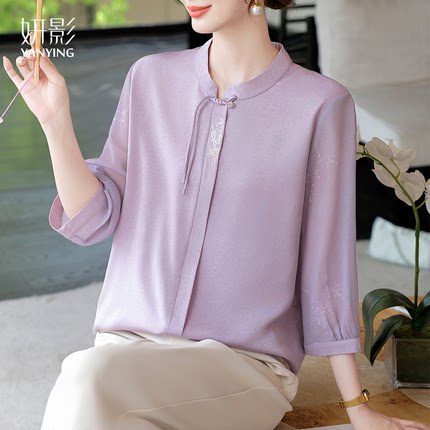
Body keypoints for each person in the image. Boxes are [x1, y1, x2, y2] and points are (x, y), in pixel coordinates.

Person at [2, 1, 429, 429]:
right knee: (92, 387)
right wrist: (54, 122)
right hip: (124, 349)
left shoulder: (320, 104)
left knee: (86, 380)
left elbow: (326, 266)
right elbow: (95, 218)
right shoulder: (149, 78)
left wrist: (357, 406)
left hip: (242, 365)